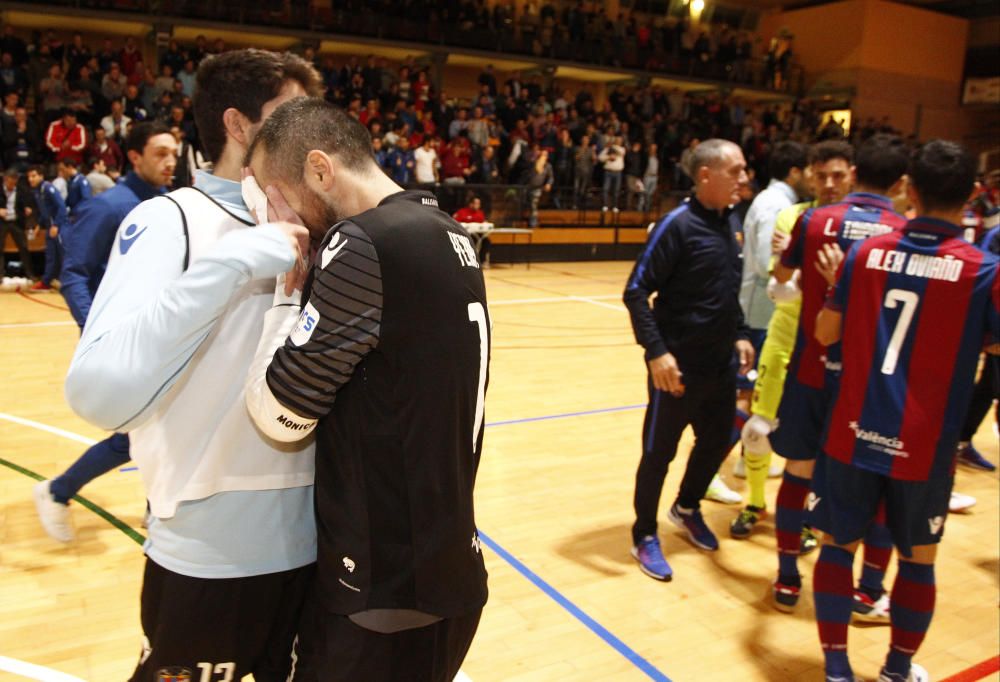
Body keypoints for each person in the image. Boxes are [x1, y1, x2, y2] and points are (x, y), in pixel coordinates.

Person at [63, 49, 322, 680]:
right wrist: (228, 265)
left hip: (321, 553)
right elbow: (98, 394)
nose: (312, 135)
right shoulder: (169, 220)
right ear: (238, 126)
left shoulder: (326, 227)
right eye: (292, 116)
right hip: (211, 561)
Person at [242, 97, 489, 681]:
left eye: (277, 197)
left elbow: (279, 415)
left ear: (320, 169)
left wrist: (286, 290)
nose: (278, 216)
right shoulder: (445, 231)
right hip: (445, 570)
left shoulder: (361, 244)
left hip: (383, 591)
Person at [810, 139, 1000, 682]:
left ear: (909, 191)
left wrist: (837, 291)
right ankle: (896, 669)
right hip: (924, 441)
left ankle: (836, 668)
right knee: (918, 559)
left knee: (836, 546)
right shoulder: (983, 271)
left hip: (853, 426)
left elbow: (828, 332)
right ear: (970, 199)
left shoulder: (865, 256)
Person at [768, 134, 909, 613]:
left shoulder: (812, 221)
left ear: (854, 173)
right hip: (870, 386)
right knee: (872, 486)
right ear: (901, 182)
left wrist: (797, 256)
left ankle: (788, 577)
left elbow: (781, 280)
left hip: (811, 369)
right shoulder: (904, 233)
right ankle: (868, 588)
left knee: (797, 472)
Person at [33, 123, 178, 543]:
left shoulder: (171, 204)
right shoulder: (109, 207)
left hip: (159, 335)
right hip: (123, 339)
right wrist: (93, 329)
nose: (170, 161)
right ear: (134, 157)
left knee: (156, 428)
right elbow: (73, 272)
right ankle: (58, 491)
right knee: (140, 431)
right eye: (160, 153)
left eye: (174, 152)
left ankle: (152, 509)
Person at [623, 139, 754, 581]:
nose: (743, 179)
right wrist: (656, 352)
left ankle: (687, 506)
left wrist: (737, 333)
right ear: (706, 176)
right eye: (735, 171)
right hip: (676, 371)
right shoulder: (676, 225)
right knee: (658, 453)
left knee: (718, 440)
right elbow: (636, 291)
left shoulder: (731, 222)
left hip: (720, 367)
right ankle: (644, 533)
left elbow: (725, 290)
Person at [733, 140, 853, 539]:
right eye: (821, 176)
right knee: (758, 427)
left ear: (853, 174)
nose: (829, 184)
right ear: (809, 176)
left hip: (838, 345)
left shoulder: (861, 224)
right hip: (785, 334)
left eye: (837, 175)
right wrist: (823, 282)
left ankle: (804, 514)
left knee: (821, 441)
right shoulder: (793, 217)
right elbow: (778, 289)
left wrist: (802, 274)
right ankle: (754, 503)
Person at [25, 165, 67, 291]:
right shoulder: (37, 191)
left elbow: (61, 207)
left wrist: (56, 225)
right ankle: (46, 281)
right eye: (29, 177)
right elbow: (45, 212)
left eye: (33, 176)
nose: (30, 179)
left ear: (41, 176)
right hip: (50, 227)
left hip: (59, 227)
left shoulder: (48, 188)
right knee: (50, 256)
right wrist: (39, 225)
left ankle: (69, 281)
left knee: (63, 255)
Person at [0, 168, 36, 279]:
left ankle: (29, 274)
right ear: (5, 179)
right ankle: (0, 275)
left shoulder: (21, 189)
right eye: (10, 182)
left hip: (16, 221)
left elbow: (28, 203)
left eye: (15, 182)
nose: (12, 185)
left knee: (24, 247)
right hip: (2, 222)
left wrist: (27, 208)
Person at [454, 194, 494, 266]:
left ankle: (482, 261)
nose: (478, 205)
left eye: (479, 204)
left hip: (478, 234)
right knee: (472, 240)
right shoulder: (462, 212)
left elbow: (482, 224)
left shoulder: (480, 213)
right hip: (465, 235)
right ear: (471, 204)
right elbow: (455, 222)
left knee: (486, 241)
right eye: (476, 203)